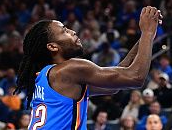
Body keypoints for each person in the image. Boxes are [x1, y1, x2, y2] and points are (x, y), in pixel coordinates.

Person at [15, 7, 161, 129]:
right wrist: (147, 33)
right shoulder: (71, 68)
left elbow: (114, 85)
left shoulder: (45, 76)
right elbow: (135, 77)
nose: (73, 32)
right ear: (53, 46)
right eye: (65, 31)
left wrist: (146, 36)